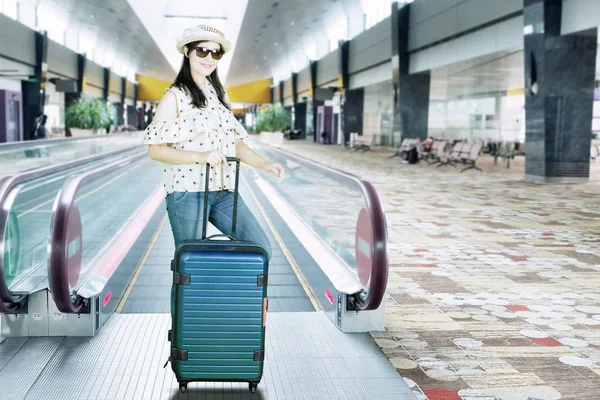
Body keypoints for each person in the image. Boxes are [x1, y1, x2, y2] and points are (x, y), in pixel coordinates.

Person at [143, 24, 284, 260]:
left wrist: (265, 164)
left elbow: (235, 144)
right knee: (189, 265)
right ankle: (198, 293)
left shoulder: (219, 96)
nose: (209, 58)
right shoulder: (174, 97)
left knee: (260, 248)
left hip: (223, 191)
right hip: (187, 193)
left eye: (216, 52)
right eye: (202, 51)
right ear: (187, 52)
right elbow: (155, 150)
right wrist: (200, 156)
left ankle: (226, 293)